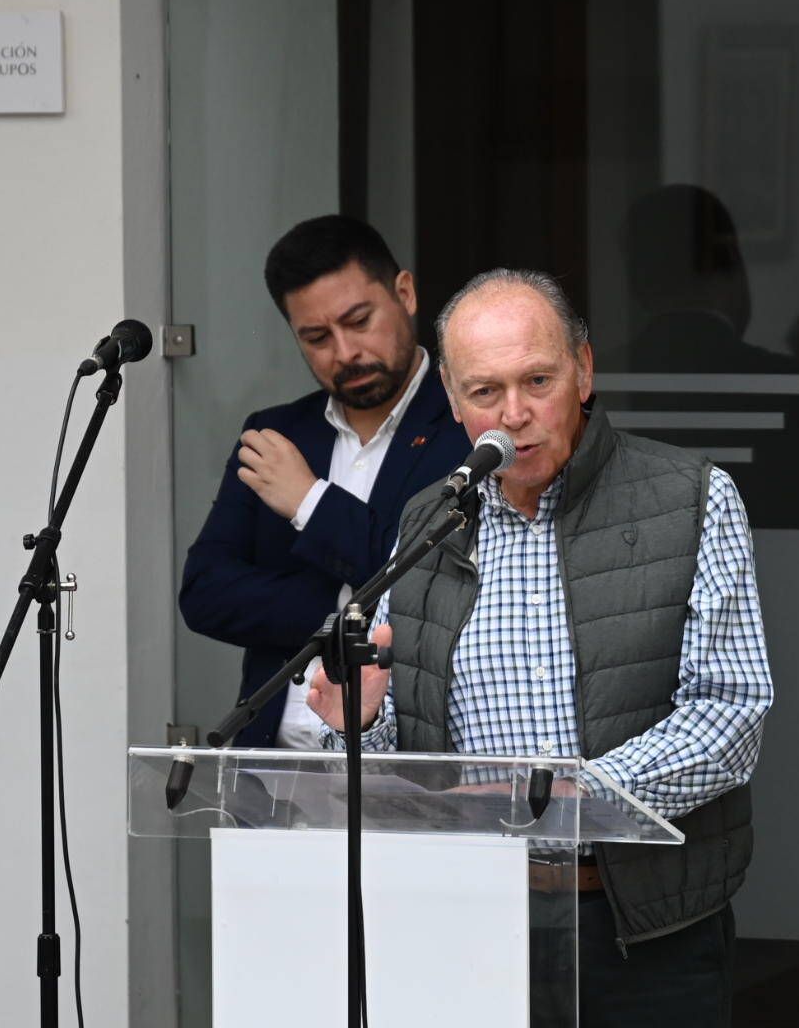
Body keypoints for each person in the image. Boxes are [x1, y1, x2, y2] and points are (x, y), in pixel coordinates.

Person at [309, 267, 773, 1026]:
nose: (514, 415)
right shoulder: (430, 520)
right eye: (485, 392)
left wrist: (567, 801)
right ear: (455, 403)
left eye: (538, 380)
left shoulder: (690, 496)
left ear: (584, 372)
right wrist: (362, 724)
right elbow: (411, 753)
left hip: (642, 934)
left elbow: (730, 717)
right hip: (465, 923)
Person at [178, 215, 470, 748]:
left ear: (404, 293)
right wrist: (347, 607)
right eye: (316, 337)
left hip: (411, 766)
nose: (344, 352)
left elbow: (441, 587)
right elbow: (204, 593)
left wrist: (310, 501)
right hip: (272, 765)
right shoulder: (275, 436)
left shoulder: (467, 427)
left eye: (359, 321)